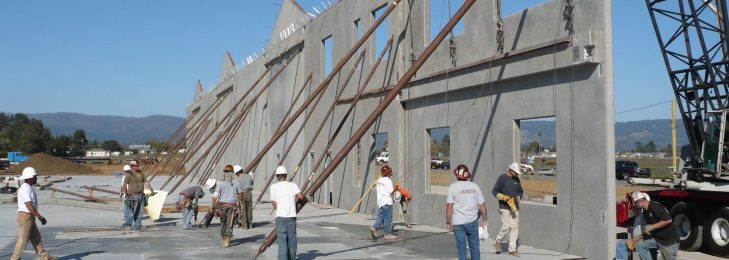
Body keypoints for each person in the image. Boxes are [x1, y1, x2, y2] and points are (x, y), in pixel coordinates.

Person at [11, 167, 56, 260]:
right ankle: (15, 258)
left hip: (30, 216)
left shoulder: (28, 187)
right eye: (35, 176)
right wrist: (39, 216)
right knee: (23, 239)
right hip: (25, 216)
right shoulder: (25, 188)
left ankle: (44, 257)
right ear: (30, 178)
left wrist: (36, 216)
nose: (36, 178)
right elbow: (28, 205)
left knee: (36, 238)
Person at [446, 164, 488, 260]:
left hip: (458, 223)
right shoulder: (475, 186)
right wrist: (485, 219)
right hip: (472, 222)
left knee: (461, 249)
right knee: (474, 247)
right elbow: (482, 205)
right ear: (467, 175)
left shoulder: (452, 187)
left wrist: (448, 222)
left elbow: (449, 206)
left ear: (457, 175)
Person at [270, 165, 306, 260]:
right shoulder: (292, 185)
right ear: (285, 175)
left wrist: (281, 208)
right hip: (291, 217)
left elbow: (273, 202)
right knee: (292, 240)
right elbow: (301, 197)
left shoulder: (273, 187)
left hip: (280, 217)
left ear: (277, 176)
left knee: (282, 241)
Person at [632, 191, 679, 260]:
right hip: (657, 239)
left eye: (635, 203)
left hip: (668, 242)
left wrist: (652, 226)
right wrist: (640, 237)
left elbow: (668, 220)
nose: (635, 206)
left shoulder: (655, 206)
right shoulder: (646, 210)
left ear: (639, 202)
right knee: (639, 244)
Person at [492, 162, 524, 256]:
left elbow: (520, 191)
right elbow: (494, 191)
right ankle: (498, 240)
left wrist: (519, 196)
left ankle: (512, 250)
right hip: (504, 206)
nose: (517, 174)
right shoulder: (502, 178)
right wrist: (502, 197)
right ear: (511, 170)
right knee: (506, 227)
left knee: (515, 227)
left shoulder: (516, 179)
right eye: (516, 172)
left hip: (514, 207)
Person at [616, 194, 658, 260]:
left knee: (621, 244)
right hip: (642, 240)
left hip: (642, 240)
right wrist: (632, 230)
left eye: (635, 204)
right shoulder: (641, 214)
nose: (633, 206)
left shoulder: (644, 214)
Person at [120, 160, 154, 230]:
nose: (138, 166)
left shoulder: (140, 173)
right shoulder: (128, 174)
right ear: (132, 166)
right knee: (129, 211)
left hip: (141, 195)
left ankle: (138, 225)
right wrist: (126, 193)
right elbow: (124, 184)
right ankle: (128, 225)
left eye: (138, 165)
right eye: (136, 165)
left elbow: (145, 181)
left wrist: (151, 190)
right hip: (132, 195)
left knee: (140, 211)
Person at [214, 165, 242, 247]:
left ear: (224, 173)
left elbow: (215, 196)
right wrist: (241, 205)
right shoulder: (236, 183)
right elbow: (240, 194)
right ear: (232, 173)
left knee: (223, 222)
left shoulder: (220, 183)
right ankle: (227, 241)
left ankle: (224, 239)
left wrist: (213, 206)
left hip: (223, 206)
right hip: (232, 206)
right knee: (230, 223)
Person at [370, 165, 397, 240]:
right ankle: (387, 234)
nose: (391, 172)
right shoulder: (388, 181)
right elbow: (391, 192)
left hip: (381, 202)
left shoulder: (379, 180)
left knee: (381, 216)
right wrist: (395, 188)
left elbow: (379, 190)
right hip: (388, 201)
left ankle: (374, 228)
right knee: (388, 218)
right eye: (390, 171)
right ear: (388, 173)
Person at [234, 164, 254, 229]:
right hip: (249, 193)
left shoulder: (237, 178)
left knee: (243, 209)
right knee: (249, 209)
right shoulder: (249, 176)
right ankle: (250, 224)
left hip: (241, 194)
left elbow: (236, 189)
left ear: (237, 172)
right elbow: (251, 183)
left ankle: (244, 226)